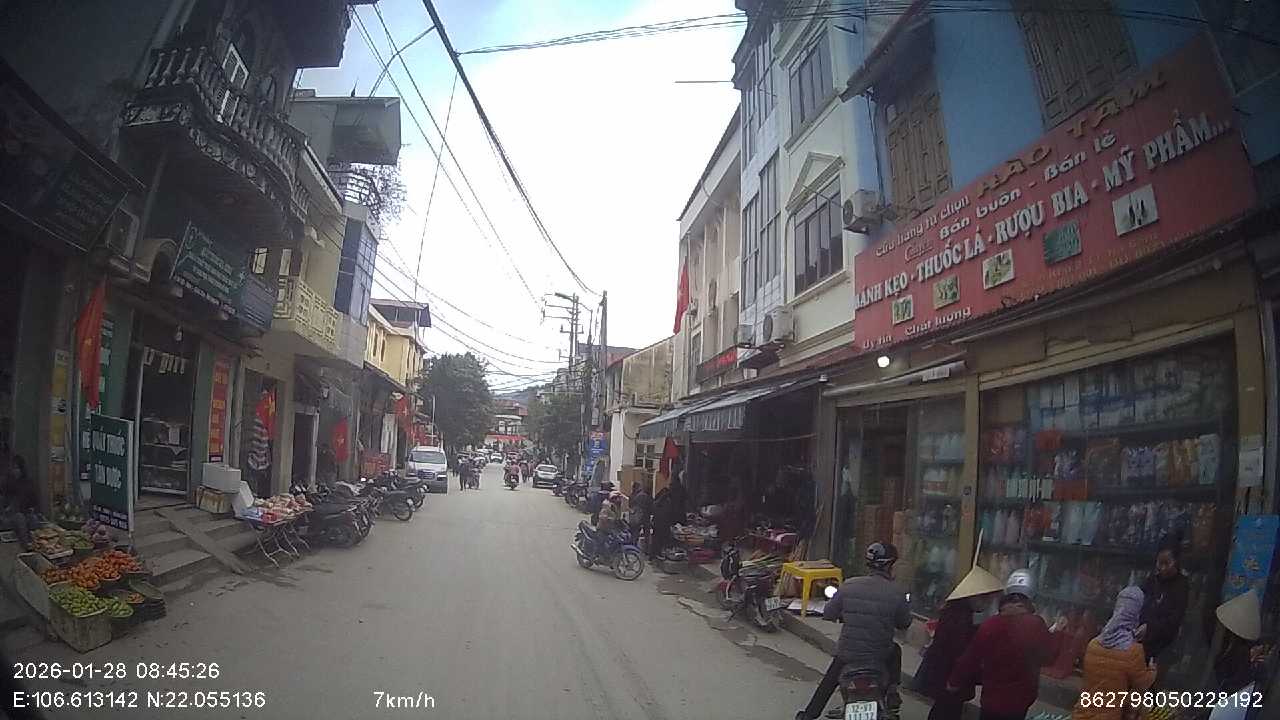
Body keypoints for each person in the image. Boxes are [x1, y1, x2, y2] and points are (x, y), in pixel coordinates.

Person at [798, 542, 911, 720]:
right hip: (879, 655)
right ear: (890, 565)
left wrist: (846, 614)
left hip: (848, 653)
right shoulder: (897, 592)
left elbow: (829, 613)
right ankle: (891, 692)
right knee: (895, 650)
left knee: (829, 681)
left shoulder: (849, 585)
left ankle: (809, 715)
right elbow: (904, 623)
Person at [947, 569, 1056, 720]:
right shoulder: (1037, 625)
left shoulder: (990, 625)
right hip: (1021, 701)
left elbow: (970, 658)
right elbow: (1048, 658)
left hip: (992, 700)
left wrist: (954, 682)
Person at [915, 565, 1004, 720]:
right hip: (948, 676)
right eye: (986, 599)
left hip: (943, 674)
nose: (987, 605)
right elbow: (959, 652)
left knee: (942, 710)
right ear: (975, 597)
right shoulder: (960, 618)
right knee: (947, 711)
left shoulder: (957, 612)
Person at [1071, 586, 1156, 720]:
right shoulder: (1133, 651)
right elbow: (1142, 684)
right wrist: (1152, 670)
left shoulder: (1094, 644)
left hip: (1081, 714)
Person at [1137, 534, 1189, 669]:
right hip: (1140, 644)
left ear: (1176, 561)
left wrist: (1150, 628)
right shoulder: (1152, 580)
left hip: (1164, 647)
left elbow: (1174, 620)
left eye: (1167, 563)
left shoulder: (1182, 586)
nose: (1163, 568)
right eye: (1160, 563)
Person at [649, 475, 687, 561]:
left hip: (658, 520)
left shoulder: (664, 494)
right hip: (663, 521)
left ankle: (654, 555)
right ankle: (659, 554)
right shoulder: (673, 495)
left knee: (657, 538)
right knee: (661, 538)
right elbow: (675, 509)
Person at [1, 455, 35, 548]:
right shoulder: (7, 482)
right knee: (20, 518)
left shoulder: (27, 482)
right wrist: (6, 509)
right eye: (13, 468)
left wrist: (31, 509)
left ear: (22, 469)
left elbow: (33, 500)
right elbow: (4, 500)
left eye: (17, 468)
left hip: (25, 512)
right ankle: (27, 545)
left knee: (33, 519)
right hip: (11, 514)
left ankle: (39, 545)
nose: (15, 471)